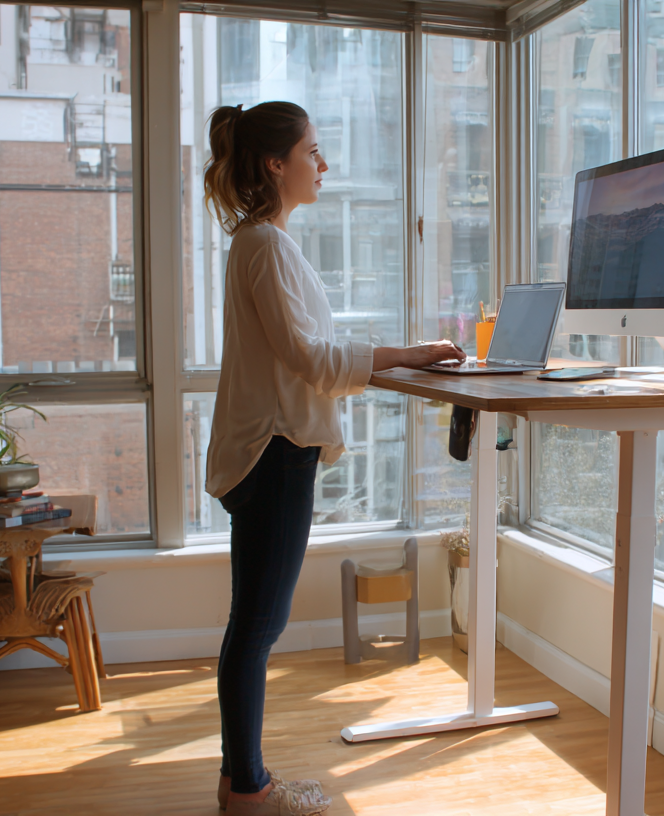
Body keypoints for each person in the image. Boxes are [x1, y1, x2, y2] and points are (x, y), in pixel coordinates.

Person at [201, 101, 464, 816]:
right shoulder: (264, 245)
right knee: (257, 626)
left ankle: (237, 781)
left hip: (270, 450)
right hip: (275, 453)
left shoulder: (260, 242)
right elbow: (310, 357)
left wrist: (400, 355)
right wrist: (412, 353)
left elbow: (302, 351)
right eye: (312, 151)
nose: (324, 164)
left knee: (252, 623)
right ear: (275, 164)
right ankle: (250, 790)